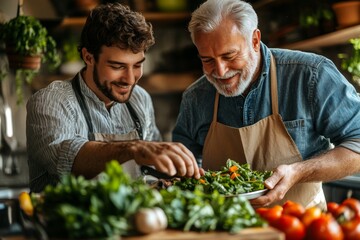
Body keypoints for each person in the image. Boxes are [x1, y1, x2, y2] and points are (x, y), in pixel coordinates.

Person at [172, 0, 360, 209]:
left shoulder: (310, 75)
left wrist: (299, 172)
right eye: (207, 60)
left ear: (254, 40)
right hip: (225, 229)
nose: (220, 71)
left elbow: (357, 143)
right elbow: (183, 166)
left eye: (229, 56)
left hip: (301, 224)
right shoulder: (195, 97)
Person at [26, 3, 201, 193]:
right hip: (65, 219)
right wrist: (134, 149)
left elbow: (152, 164)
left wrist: (177, 169)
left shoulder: (139, 99)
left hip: (126, 220)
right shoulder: (51, 101)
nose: (130, 79)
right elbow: (66, 160)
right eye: (117, 66)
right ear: (88, 57)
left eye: (137, 65)